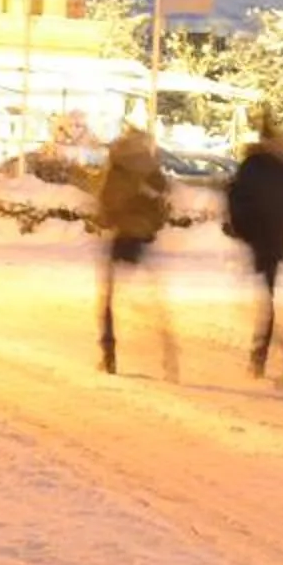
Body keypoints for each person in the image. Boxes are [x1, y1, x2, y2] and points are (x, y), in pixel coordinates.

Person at [224, 111, 283, 378]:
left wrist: (240, 228)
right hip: (274, 235)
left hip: (255, 233)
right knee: (268, 294)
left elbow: (236, 196)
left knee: (265, 296)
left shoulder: (252, 164)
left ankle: (263, 354)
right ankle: (265, 354)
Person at [90, 122, 172, 375]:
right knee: (154, 296)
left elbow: (107, 200)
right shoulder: (150, 166)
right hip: (144, 235)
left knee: (109, 299)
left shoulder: (118, 167)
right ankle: (168, 355)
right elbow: (163, 194)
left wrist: (104, 219)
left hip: (122, 235)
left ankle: (109, 353)